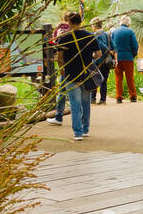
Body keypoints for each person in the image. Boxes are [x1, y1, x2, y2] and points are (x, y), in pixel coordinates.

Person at [55, 12, 101, 140]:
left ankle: (78, 133)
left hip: (70, 74)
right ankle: (86, 129)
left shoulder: (64, 37)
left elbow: (59, 58)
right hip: (86, 74)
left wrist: (61, 69)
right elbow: (98, 54)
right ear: (80, 22)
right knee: (86, 102)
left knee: (75, 103)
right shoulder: (90, 36)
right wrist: (90, 57)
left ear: (69, 22)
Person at [46, 11, 73, 125]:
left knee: (62, 91)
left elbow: (54, 43)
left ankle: (59, 117)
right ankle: (80, 117)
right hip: (75, 62)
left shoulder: (59, 29)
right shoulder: (74, 30)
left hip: (64, 63)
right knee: (76, 92)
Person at [110, 13, 139, 103]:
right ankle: (133, 96)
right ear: (128, 23)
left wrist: (114, 56)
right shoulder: (130, 32)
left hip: (117, 58)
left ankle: (119, 97)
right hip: (128, 58)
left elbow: (112, 46)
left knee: (118, 78)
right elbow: (135, 45)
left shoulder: (114, 32)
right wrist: (133, 54)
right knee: (129, 77)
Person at [90, 17, 113, 104]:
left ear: (94, 25)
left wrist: (106, 50)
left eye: (92, 25)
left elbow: (101, 45)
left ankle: (93, 98)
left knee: (95, 79)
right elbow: (113, 45)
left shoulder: (96, 34)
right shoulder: (106, 34)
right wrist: (109, 51)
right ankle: (103, 99)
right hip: (107, 61)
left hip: (98, 60)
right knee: (104, 81)